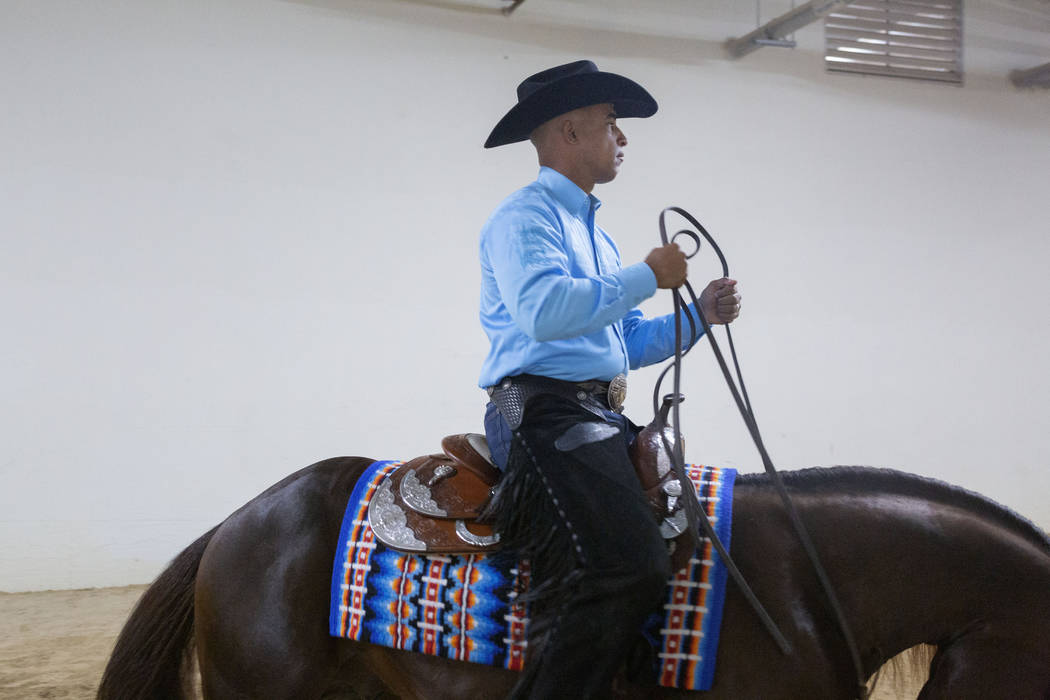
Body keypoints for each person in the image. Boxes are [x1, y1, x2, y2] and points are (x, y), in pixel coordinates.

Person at [478, 60, 741, 699]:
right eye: (611, 124)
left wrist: (698, 317)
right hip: (541, 411)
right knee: (627, 566)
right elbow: (544, 313)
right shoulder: (525, 218)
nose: (622, 138)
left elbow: (620, 344)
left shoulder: (594, 235)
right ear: (570, 130)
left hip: (589, 415)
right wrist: (649, 276)